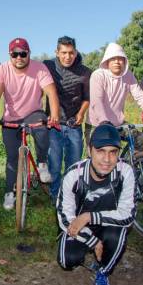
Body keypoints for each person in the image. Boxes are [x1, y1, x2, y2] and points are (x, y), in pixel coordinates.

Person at [55, 122, 136, 285]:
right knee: (66, 259)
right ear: (89, 150)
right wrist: (93, 241)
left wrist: (90, 216)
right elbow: (64, 216)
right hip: (80, 228)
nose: (107, 159)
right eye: (100, 151)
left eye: (113, 152)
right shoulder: (73, 175)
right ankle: (94, 250)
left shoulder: (126, 172)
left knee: (119, 234)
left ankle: (103, 271)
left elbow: (128, 215)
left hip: (109, 224)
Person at [0, 38, 60, 210]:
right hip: (11, 117)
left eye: (23, 53)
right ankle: (9, 193)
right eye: (15, 54)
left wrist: (54, 115)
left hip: (33, 113)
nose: (19, 57)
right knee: (12, 158)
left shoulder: (39, 68)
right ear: (10, 55)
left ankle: (42, 164)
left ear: (29, 54)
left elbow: (51, 93)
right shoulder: (2, 69)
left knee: (41, 127)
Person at [44, 35, 91, 200]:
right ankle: (55, 195)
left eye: (71, 53)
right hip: (53, 125)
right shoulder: (48, 67)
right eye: (63, 52)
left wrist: (81, 113)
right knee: (55, 164)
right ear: (57, 52)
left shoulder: (85, 72)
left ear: (75, 52)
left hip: (74, 125)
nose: (67, 57)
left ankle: (69, 195)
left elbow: (87, 97)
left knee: (73, 164)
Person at [87, 43, 143, 128]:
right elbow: (96, 101)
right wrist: (103, 120)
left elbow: (140, 97)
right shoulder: (98, 75)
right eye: (113, 59)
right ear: (107, 61)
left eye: (120, 58)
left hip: (117, 123)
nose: (116, 62)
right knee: (106, 141)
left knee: (140, 139)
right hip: (97, 123)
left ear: (124, 61)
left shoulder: (128, 75)